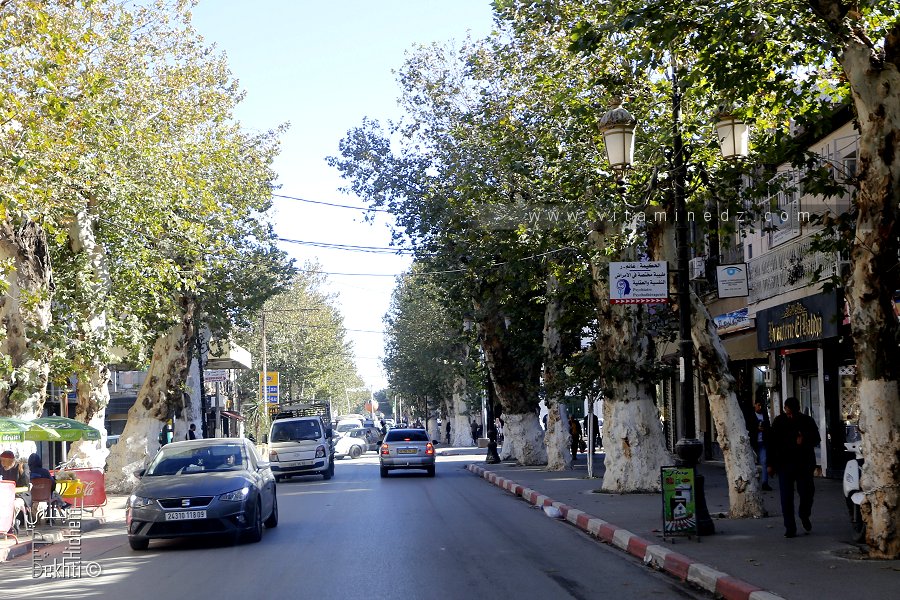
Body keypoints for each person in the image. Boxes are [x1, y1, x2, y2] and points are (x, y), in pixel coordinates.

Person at [767, 397, 820, 538]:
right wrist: (770, 464)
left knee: (807, 493)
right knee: (786, 497)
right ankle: (790, 527)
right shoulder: (779, 422)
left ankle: (804, 514)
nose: (789, 415)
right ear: (784, 409)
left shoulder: (807, 421)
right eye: (787, 412)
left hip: (803, 464)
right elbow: (772, 444)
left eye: (792, 413)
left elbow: (817, 439)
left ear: (797, 410)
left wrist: (805, 440)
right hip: (784, 465)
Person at [1, 450, 29, 532]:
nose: (2, 463)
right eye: (1, 461)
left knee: (13, 505)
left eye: (4, 461)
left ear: (10, 461)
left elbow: (26, 484)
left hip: (20, 495)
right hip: (5, 495)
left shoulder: (22, 466)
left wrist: (21, 471)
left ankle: (10, 525)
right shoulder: (2, 469)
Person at [749, 399, 772, 491]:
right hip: (753, 442)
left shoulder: (765, 415)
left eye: (761, 405)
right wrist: (757, 428)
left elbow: (768, 428)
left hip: (763, 442)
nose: (760, 407)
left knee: (764, 462)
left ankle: (765, 483)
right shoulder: (751, 415)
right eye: (758, 405)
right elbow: (748, 427)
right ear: (755, 405)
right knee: (751, 463)